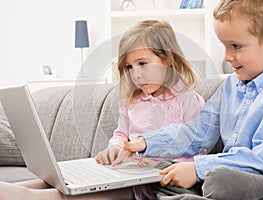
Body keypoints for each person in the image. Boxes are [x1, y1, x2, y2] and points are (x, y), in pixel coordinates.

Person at [0, 19, 205, 200]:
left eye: (142, 63)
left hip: (151, 182)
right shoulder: (132, 101)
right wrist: (115, 148)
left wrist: (159, 163)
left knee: (55, 195)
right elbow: (121, 134)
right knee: (55, 182)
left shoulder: (188, 100)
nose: (136, 74)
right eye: (129, 67)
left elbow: (197, 148)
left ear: (167, 59)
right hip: (125, 172)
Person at [123, 0, 263, 199]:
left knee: (220, 181)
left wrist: (198, 169)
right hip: (229, 174)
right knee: (159, 171)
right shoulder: (230, 85)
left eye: (235, 46)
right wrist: (146, 143)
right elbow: (196, 132)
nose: (227, 56)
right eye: (224, 46)